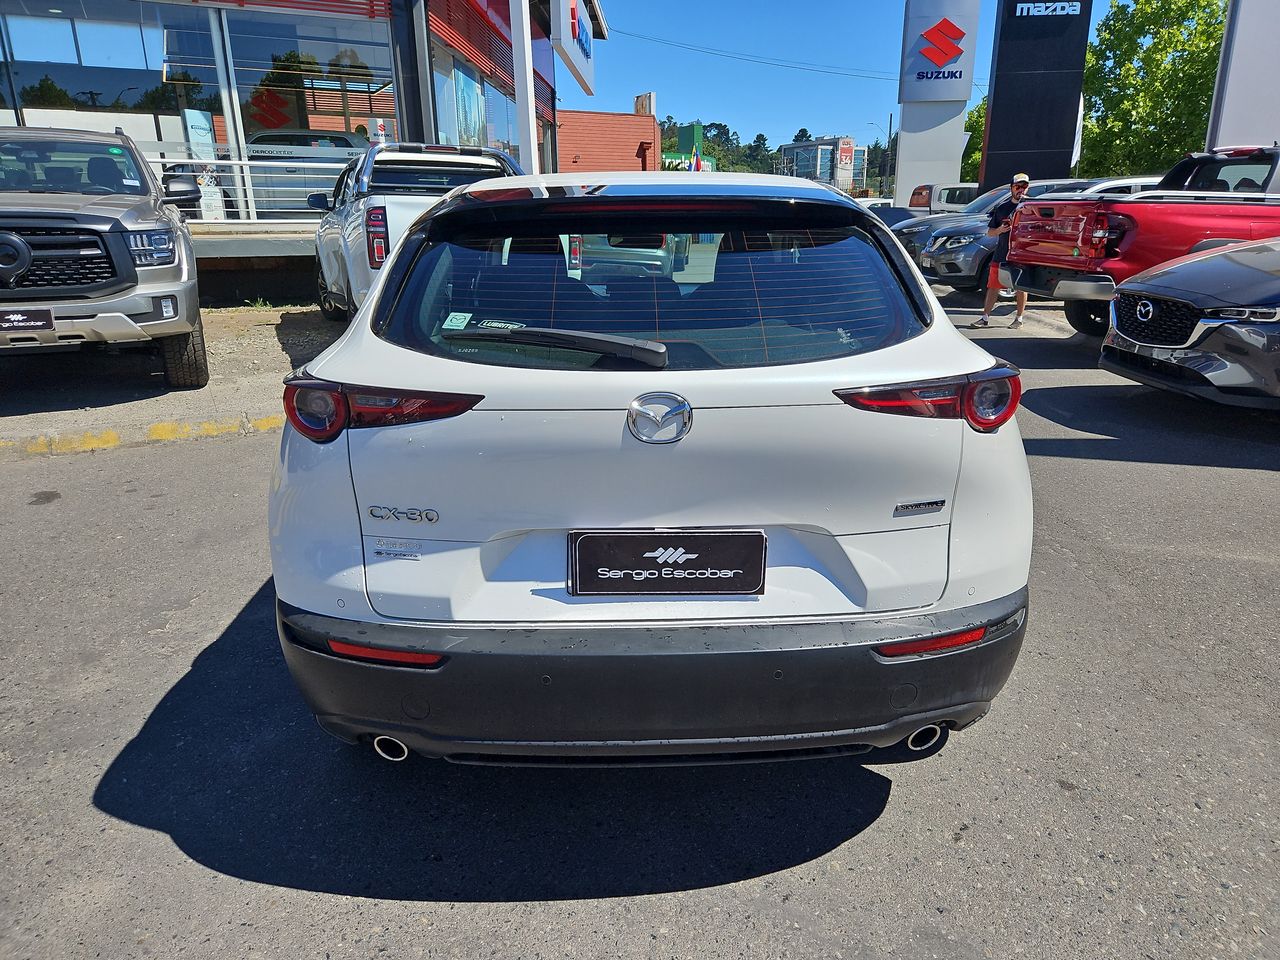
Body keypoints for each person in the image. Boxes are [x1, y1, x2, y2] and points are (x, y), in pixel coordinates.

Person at [970, 173, 1031, 329]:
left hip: (1021, 254)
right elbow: (990, 232)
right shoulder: (1003, 208)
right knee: (993, 286)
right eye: (1017, 186)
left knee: (1020, 286)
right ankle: (985, 318)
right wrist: (1000, 230)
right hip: (1002, 252)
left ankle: (1019, 319)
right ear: (1011, 188)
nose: (1021, 190)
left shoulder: (1031, 206)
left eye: (1024, 186)